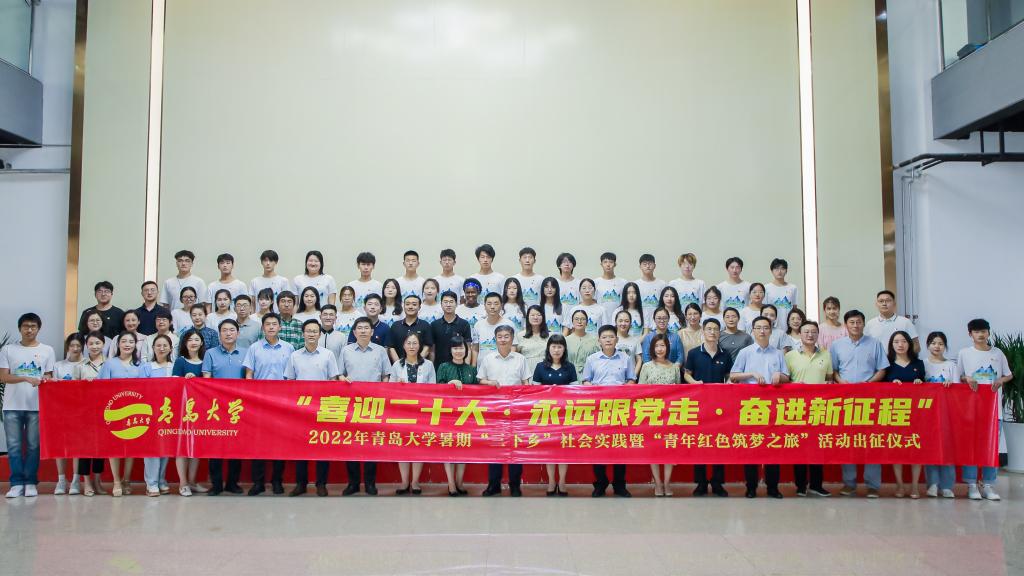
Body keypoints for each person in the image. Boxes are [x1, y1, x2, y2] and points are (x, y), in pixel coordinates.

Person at [830, 309, 889, 498]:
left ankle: (873, 485)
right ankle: (849, 483)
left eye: (859, 322)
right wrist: (841, 383)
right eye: (852, 322)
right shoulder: (836, 345)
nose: (855, 325)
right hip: (845, 400)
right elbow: (834, 371)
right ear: (846, 325)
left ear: (864, 324)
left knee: (871, 441)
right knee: (848, 441)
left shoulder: (875, 344)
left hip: (869, 399)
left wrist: (868, 384)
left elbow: (882, 369)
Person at [730, 316, 789, 498]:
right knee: (751, 447)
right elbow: (733, 375)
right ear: (753, 331)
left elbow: (787, 377)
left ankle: (773, 487)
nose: (762, 331)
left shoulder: (778, 354)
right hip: (751, 407)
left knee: (773, 446)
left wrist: (780, 375)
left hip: (773, 408)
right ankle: (751, 487)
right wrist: (751, 374)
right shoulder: (745, 352)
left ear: (771, 331)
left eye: (765, 328)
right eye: (758, 328)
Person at [956, 318, 1013, 501]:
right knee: (970, 446)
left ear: (988, 333)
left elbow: (1008, 374)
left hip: (993, 410)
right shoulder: (964, 353)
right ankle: (971, 484)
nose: (980, 335)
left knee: (991, 446)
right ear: (970, 334)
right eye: (976, 331)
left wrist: (1000, 380)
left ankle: (988, 484)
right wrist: (967, 378)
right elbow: (958, 376)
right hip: (971, 409)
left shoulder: (997, 353)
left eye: (983, 331)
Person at [2, 313, 55, 499]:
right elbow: (3, 376)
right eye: (26, 326)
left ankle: (31, 482)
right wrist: (25, 378)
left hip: (37, 406)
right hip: (12, 405)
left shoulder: (47, 350)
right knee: (14, 446)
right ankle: (16, 483)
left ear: (38, 329)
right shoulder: (8, 349)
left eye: (33, 326)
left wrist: (45, 379)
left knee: (33, 446)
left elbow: (48, 376)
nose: (29, 330)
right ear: (20, 328)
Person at [339, 317, 393, 497]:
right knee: (351, 443)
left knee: (371, 443)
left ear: (372, 332)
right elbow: (339, 374)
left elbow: (386, 375)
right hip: (351, 404)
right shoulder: (346, 350)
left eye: (366, 328)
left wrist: (382, 392)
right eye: (359, 328)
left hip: (373, 403)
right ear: (354, 332)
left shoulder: (380, 351)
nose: (363, 331)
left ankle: (370, 483)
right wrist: (343, 379)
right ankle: (353, 483)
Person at [285, 320, 340, 497]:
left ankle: (321, 484)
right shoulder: (294, 355)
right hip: (300, 408)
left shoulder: (328, 355)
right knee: (300, 447)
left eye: (315, 331)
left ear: (320, 334)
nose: (311, 334)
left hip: (322, 407)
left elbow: (333, 380)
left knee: (322, 446)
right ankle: (300, 484)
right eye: (308, 331)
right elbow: (290, 381)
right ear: (303, 334)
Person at [242, 313, 294, 496]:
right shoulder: (254, 348)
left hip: (281, 403)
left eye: (274, 324)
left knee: (279, 444)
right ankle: (258, 483)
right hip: (259, 402)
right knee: (258, 443)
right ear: (263, 328)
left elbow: (291, 376)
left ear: (280, 327)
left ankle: (277, 481)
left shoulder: (289, 348)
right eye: (267, 324)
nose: (271, 327)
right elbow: (249, 374)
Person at [583, 325, 637, 497]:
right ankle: (600, 483)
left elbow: (631, 380)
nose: (608, 340)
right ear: (599, 340)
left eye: (611, 337)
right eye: (604, 337)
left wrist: (624, 389)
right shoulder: (592, 359)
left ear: (617, 339)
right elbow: (585, 381)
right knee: (599, 446)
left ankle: (619, 484)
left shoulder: (625, 358)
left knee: (619, 445)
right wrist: (593, 388)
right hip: (599, 409)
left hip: (620, 409)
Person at [478, 326, 529, 496]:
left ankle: (515, 485)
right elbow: (480, 381)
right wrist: (489, 383)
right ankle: (494, 485)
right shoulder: (488, 359)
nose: (503, 339)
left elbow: (526, 383)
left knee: (515, 448)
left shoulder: (521, 359)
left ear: (512, 339)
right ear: (495, 339)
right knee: (495, 447)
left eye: (507, 336)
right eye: (500, 336)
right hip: (495, 410)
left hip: (516, 410)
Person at [785, 320, 833, 497]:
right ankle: (800, 485)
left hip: (819, 407)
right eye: (806, 332)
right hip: (797, 407)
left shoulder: (826, 354)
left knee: (817, 446)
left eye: (813, 332)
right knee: (799, 446)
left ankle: (816, 484)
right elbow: (785, 380)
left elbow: (829, 378)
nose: (810, 335)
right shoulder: (790, 356)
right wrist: (795, 385)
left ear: (818, 334)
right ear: (800, 334)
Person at [684, 318, 732, 497]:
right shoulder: (694, 353)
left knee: (719, 443)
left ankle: (717, 483)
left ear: (720, 332)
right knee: (700, 443)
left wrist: (728, 383)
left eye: (715, 329)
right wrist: (695, 383)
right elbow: (687, 374)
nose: (712, 332)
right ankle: (701, 483)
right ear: (703, 332)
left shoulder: (725, 354)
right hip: (700, 405)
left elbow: (729, 375)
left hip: (720, 406)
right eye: (709, 329)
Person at [202, 319, 247, 496]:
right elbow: (206, 379)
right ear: (219, 334)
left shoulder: (246, 352)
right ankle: (216, 484)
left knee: (236, 445)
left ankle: (232, 483)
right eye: (224, 330)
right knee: (215, 446)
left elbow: (249, 378)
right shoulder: (210, 353)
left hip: (238, 407)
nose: (228, 333)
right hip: (216, 407)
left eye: (232, 330)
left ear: (238, 333)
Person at [390, 332, 436, 496]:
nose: (411, 346)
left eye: (415, 343)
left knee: (417, 445)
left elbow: (433, 388)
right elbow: (389, 389)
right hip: (401, 411)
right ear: (403, 346)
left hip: (421, 412)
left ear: (420, 346)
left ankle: (415, 481)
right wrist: (398, 384)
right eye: (408, 343)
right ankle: (404, 482)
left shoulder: (428, 365)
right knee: (402, 446)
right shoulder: (397, 365)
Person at [98, 330, 141, 497]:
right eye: (124, 341)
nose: (127, 344)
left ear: (135, 345)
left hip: (135, 410)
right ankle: (116, 481)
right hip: (114, 410)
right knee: (114, 446)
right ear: (118, 344)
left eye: (131, 341)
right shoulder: (109, 364)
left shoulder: (141, 365)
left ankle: (126, 479)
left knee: (131, 447)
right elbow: (101, 388)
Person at [532, 334, 576, 496]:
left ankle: (562, 482)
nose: (556, 350)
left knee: (563, 449)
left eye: (560, 346)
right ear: (548, 348)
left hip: (565, 415)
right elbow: (534, 391)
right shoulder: (540, 367)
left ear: (564, 349)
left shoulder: (569, 367)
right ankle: (551, 481)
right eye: (553, 346)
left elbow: (576, 392)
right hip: (546, 415)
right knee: (550, 449)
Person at [884, 330, 926, 498]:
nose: (900, 345)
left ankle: (915, 486)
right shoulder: (887, 365)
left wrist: (920, 383)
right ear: (891, 345)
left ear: (909, 343)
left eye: (903, 341)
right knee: (897, 448)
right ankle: (900, 485)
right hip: (894, 413)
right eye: (896, 342)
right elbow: (880, 388)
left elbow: (928, 387)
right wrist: (891, 384)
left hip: (916, 413)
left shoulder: (919, 363)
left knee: (916, 448)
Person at [638, 333, 681, 496]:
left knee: (669, 449)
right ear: (652, 348)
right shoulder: (646, 366)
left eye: (662, 345)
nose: (660, 349)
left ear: (667, 348)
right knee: (654, 450)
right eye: (656, 346)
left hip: (670, 415)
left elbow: (679, 391)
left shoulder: (675, 367)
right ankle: (657, 483)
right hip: (652, 414)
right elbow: (640, 391)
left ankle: (667, 483)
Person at [435, 335, 476, 496]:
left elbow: (477, 392)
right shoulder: (443, 367)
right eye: (455, 348)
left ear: (466, 350)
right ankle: (451, 484)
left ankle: (459, 482)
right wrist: (450, 384)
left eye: (461, 348)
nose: (458, 351)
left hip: (467, 416)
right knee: (449, 449)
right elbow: (437, 389)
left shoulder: (471, 370)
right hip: (448, 415)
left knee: (463, 448)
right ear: (450, 350)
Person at [171, 329, 207, 495]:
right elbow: (174, 384)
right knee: (182, 446)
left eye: (196, 339)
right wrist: (185, 380)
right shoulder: (180, 361)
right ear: (185, 343)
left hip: (201, 409)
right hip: (183, 409)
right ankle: (183, 483)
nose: (193, 342)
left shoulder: (205, 361)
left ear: (201, 343)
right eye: (190, 340)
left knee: (196, 447)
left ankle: (192, 481)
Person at [922, 331, 957, 499]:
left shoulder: (951, 365)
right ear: (928, 345)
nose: (937, 346)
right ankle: (932, 484)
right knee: (930, 449)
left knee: (948, 449)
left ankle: (947, 486)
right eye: (933, 343)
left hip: (947, 413)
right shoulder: (922, 364)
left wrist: (952, 385)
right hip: (928, 414)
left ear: (945, 346)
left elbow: (959, 392)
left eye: (941, 344)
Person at [139, 334, 174, 497]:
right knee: (152, 448)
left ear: (170, 348)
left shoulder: (174, 366)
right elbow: (141, 390)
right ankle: (151, 483)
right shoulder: (146, 367)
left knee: (166, 447)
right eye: (158, 345)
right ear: (152, 348)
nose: (161, 348)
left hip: (169, 413)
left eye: (165, 345)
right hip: (151, 413)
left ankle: (161, 479)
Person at [73, 331, 108, 496]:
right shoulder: (80, 366)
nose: (94, 346)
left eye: (98, 343)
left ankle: (97, 481)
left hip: (105, 412)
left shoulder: (110, 364)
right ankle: (86, 482)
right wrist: (83, 385)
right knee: (85, 449)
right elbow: (72, 391)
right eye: (91, 344)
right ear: (86, 346)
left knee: (101, 448)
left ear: (103, 345)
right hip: (85, 413)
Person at [430, 291, 473, 367]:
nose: (448, 305)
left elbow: (468, 349)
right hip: (439, 368)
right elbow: (432, 351)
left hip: (459, 368)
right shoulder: (434, 325)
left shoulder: (464, 324)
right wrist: (432, 368)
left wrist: (466, 369)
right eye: (445, 302)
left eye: (451, 302)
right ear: (441, 304)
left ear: (456, 304)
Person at [388, 294, 434, 363]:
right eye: (407, 304)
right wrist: (399, 364)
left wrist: (416, 362)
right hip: (399, 366)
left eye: (414, 304)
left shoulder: (425, 325)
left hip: (420, 365)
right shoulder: (395, 325)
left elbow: (427, 347)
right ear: (403, 306)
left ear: (419, 307)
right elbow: (391, 347)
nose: (410, 307)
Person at [473, 293, 516, 364]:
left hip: (503, 366)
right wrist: (473, 367)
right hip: (482, 368)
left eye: (496, 304)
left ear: (501, 306)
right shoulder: (478, 325)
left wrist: (509, 364)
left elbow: (513, 347)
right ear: (484, 306)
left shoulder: (509, 324)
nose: (492, 307)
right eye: (489, 304)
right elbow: (475, 349)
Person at [516, 305, 550, 379]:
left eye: (538, 315)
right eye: (532, 315)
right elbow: (516, 357)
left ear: (543, 317)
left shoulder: (550, 335)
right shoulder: (520, 335)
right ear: (527, 317)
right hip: (527, 372)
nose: (535, 317)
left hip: (546, 371)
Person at [765, 258, 798, 328]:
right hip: (771, 326)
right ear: (772, 271)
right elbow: (764, 309)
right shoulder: (766, 288)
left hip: (788, 327)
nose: (779, 271)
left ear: (786, 271)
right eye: (776, 269)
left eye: (782, 269)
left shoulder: (793, 288)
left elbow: (794, 308)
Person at [564, 309, 599, 375]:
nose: (579, 321)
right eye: (576, 319)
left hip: (589, 374)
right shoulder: (565, 340)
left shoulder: (595, 340)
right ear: (572, 322)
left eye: (583, 319)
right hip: (569, 375)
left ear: (587, 322)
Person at [635, 254, 666, 325]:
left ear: (654, 266)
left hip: (659, 322)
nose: (648, 266)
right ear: (640, 267)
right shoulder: (636, 284)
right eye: (644, 264)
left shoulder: (662, 284)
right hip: (640, 321)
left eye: (650, 264)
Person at [594, 252, 626, 316]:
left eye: (611, 262)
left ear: (615, 264)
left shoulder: (623, 282)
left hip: (619, 318)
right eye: (605, 262)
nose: (608, 265)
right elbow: (593, 302)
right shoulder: (595, 282)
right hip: (601, 318)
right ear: (601, 264)